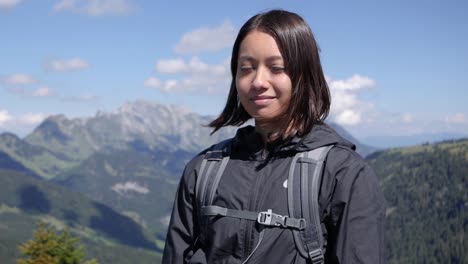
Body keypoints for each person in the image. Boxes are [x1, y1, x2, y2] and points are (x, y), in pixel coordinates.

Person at [162, 9, 385, 264]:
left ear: (305, 73)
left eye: (276, 68)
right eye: (246, 68)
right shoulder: (201, 172)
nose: (258, 81)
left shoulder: (344, 175)